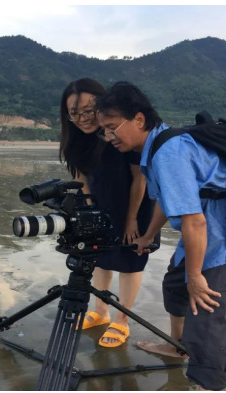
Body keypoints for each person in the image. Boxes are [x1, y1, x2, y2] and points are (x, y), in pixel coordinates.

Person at [94, 81, 226, 390]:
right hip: (207, 225)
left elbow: (194, 221)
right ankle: (177, 347)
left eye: (111, 127)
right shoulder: (155, 148)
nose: (108, 136)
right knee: (176, 284)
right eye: (102, 130)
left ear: (139, 119)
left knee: (206, 307)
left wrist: (196, 275)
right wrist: (147, 235)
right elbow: (163, 200)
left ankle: (206, 383)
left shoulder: (168, 153)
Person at [59, 78, 159, 347]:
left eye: (88, 110)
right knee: (99, 257)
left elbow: (140, 178)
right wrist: (90, 208)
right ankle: (100, 311)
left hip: (133, 204)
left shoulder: (120, 133)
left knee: (130, 260)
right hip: (97, 202)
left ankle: (121, 320)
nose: (82, 118)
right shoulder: (77, 139)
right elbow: (82, 176)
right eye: (74, 113)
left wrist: (130, 220)